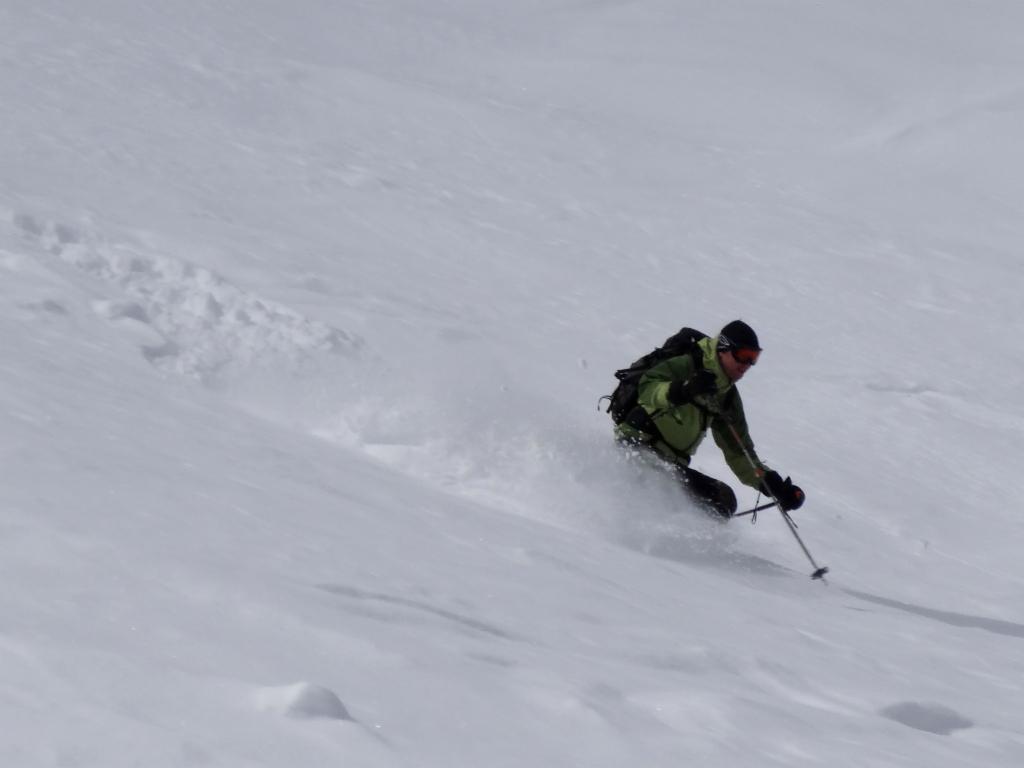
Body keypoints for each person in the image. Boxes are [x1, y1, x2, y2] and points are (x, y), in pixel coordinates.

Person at [615, 319, 804, 519]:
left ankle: (680, 541)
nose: (746, 365)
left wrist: (774, 486)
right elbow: (648, 389)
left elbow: (739, 453)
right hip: (637, 445)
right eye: (743, 356)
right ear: (723, 349)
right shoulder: (689, 364)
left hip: (670, 464)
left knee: (722, 501)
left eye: (753, 358)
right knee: (701, 498)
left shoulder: (727, 396)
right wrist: (684, 389)